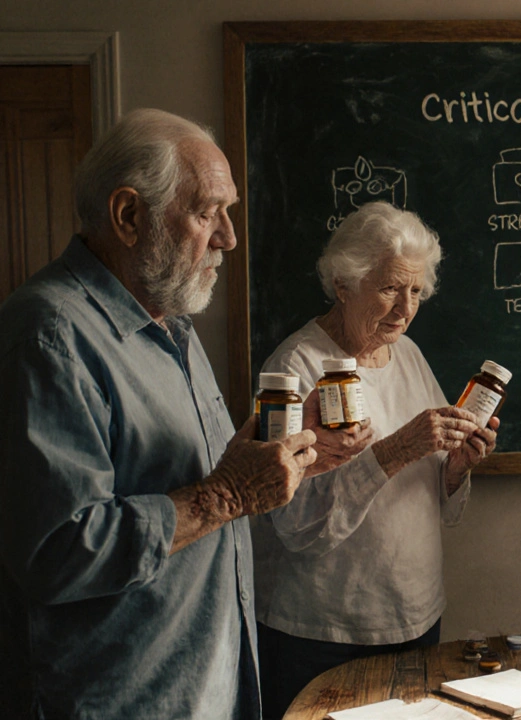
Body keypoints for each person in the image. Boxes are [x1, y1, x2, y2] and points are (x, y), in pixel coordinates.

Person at [0, 109, 369, 719]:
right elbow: (56, 551)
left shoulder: (172, 324)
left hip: (205, 686)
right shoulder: (49, 335)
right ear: (128, 216)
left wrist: (286, 453)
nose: (228, 237)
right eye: (206, 213)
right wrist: (225, 495)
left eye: (229, 214)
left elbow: (199, 476)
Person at [252, 201, 498, 719]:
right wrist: (394, 450)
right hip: (323, 630)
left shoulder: (407, 354)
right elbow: (294, 525)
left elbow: (433, 493)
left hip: (414, 615)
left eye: (415, 291)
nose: (404, 308)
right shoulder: (296, 366)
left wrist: (456, 469)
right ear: (344, 284)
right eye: (389, 288)